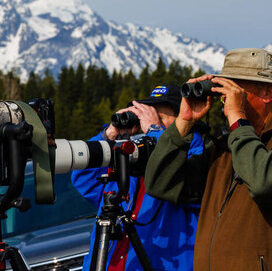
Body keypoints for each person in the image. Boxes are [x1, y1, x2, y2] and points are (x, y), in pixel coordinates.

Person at [145, 48, 272, 271]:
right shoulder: (224, 148)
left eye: (234, 90)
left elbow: (264, 184)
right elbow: (161, 184)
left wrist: (238, 119)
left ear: (268, 93)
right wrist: (183, 122)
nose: (225, 99)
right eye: (223, 90)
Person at [71, 85, 204, 271]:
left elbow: (173, 174)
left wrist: (155, 131)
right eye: (145, 116)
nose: (145, 125)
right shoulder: (131, 163)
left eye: (159, 117)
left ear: (186, 120)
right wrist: (109, 134)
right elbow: (83, 178)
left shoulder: (197, 156)